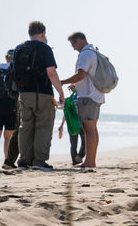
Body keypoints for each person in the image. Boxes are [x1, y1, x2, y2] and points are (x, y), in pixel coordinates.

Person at [16, 21, 65, 171]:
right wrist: (60, 93)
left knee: (25, 127)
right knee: (43, 128)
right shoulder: (45, 48)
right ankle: (39, 161)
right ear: (43, 33)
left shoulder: (19, 48)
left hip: (23, 94)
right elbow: (51, 73)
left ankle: (24, 161)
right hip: (42, 93)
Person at [60, 32, 103, 168]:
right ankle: (91, 161)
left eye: (73, 44)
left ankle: (89, 162)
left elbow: (80, 74)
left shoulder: (85, 54)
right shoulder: (94, 52)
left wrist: (62, 82)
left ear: (79, 41)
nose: (73, 48)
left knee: (88, 129)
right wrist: (75, 84)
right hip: (96, 95)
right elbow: (86, 76)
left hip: (87, 97)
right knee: (92, 129)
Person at [58, 89, 86, 165]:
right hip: (82, 124)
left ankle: (75, 161)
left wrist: (62, 125)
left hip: (72, 124)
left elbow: (66, 114)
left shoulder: (69, 101)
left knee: (73, 144)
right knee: (85, 141)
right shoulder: (82, 98)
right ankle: (79, 157)